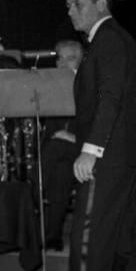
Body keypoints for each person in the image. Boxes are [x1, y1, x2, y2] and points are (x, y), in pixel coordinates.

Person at [34, 0, 136, 271]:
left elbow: (109, 98)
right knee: (124, 245)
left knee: (86, 238)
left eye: (77, 4)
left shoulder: (109, 41)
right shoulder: (116, 41)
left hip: (108, 158)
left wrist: (90, 150)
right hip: (126, 157)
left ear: (100, 5)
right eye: (68, 6)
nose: (70, 11)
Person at [38, 39, 84, 249]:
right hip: (61, 154)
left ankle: (30, 190)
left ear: (81, 62)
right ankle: (53, 235)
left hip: (85, 149)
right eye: (60, 59)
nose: (64, 64)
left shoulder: (89, 87)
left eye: (71, 59)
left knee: (56, 147)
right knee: (61, 171)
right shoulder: (51, 88)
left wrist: (70, 137)